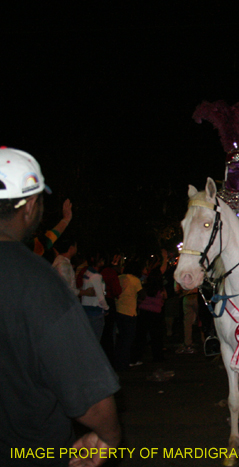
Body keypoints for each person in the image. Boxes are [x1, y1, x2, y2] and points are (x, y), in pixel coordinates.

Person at [0, 147, 121, 467]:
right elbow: (89, 398)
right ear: (29, 207)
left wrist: (66, 221)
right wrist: (108, 436)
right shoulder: (38, 283)